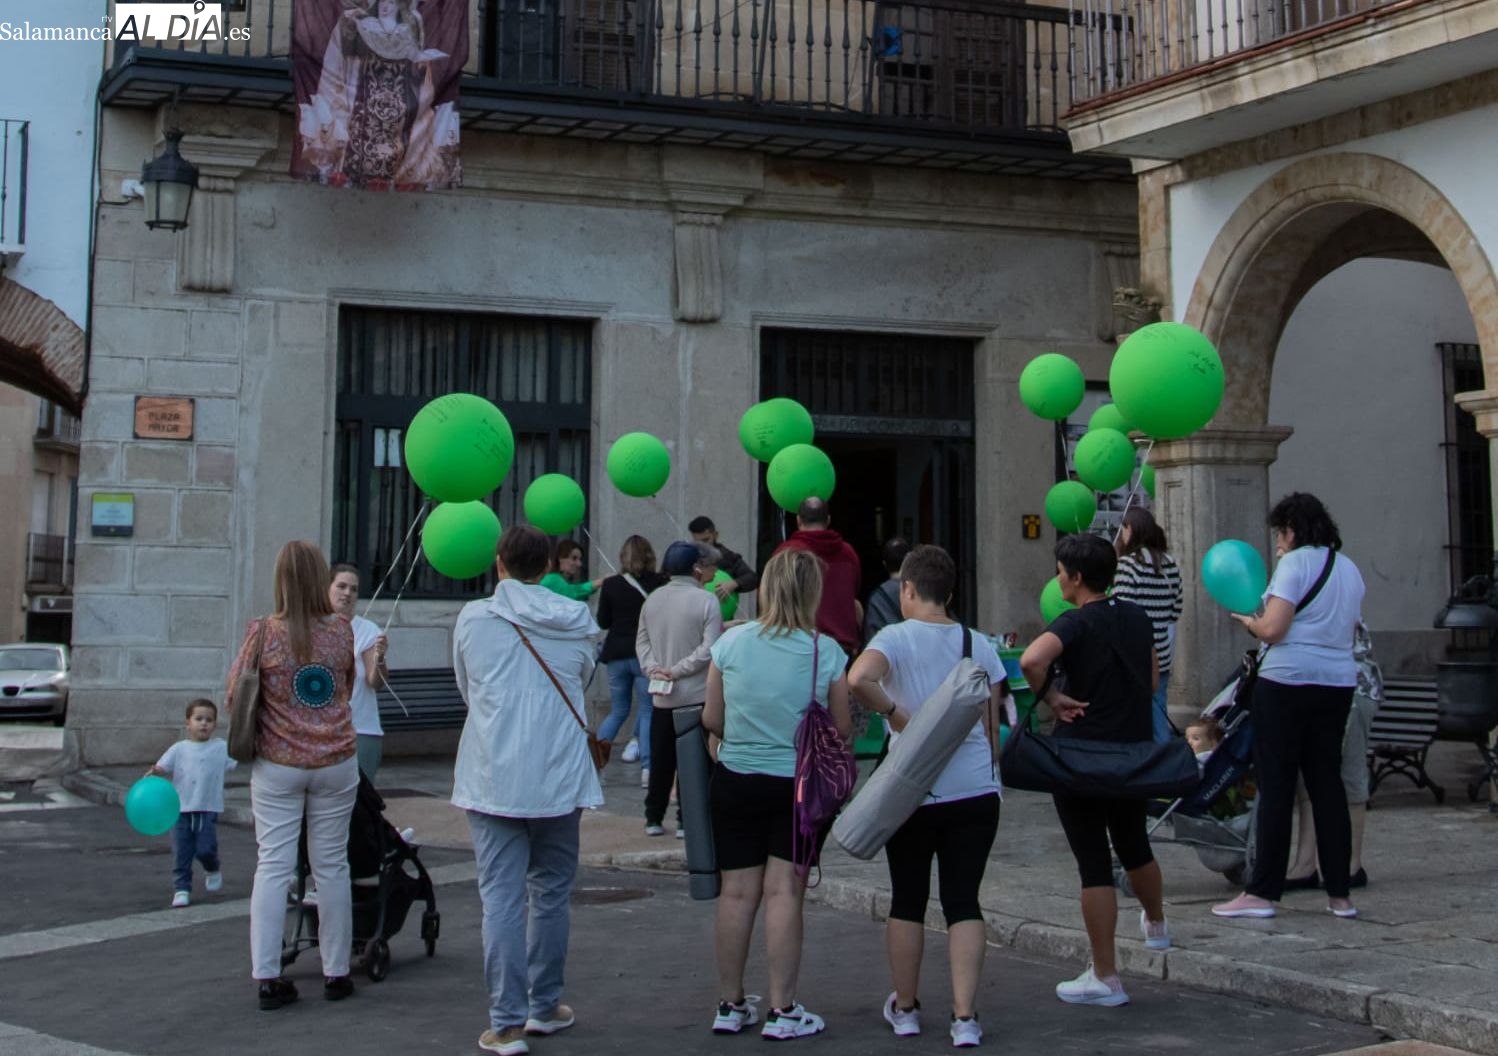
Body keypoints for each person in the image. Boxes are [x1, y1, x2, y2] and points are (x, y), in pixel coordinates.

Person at [848, 545, 1009, 1047]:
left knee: (908, 899)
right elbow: (991, 720)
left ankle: (907, 1007)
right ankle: (965, 1017)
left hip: (914, 792)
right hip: (975, 788)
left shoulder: (893, 637)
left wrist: (898, 717)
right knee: (964, 901)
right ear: (952, 593)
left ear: (909, 590)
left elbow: (858, 678)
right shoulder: (976, 642)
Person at [452, 524, 603, 1056]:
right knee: (552, 894)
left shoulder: (475, 618)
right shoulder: (578, 619)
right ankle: (545, 1004)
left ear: (498, 563)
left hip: (493, 773)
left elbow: (467, 688)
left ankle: (507, 1021)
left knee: (500, 898)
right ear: (548, 567)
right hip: (560, 774)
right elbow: (581, 683)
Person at [703, 548, 852, 1040]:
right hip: (797, 787)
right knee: (784, 891)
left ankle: (730, 1003)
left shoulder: (731, 643)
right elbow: (842, 729)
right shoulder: (825, 652)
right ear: (812, 594)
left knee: (737, 892)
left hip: (736, 778)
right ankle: (782, 1010)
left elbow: (712, 718)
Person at [1020, 533, 1167, 1008]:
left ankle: (1105, 974)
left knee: (1093, 863)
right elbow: (1153, 676)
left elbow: (1031, 659)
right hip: (1132, 752)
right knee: (1134, 842)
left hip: (1083, 756)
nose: (1058, 577)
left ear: (1077, 578)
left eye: (1061, 570)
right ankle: (1157, 923)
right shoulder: (1138, 617)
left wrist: (1052, 698)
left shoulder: (1075, 622)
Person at [1213, 493, 1366, 921]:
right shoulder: (1348, 568)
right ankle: (1340, 894)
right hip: (1337, 682)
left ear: (1291, 530)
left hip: (1287, 681)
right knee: (1326, 784)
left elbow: (1275, 629)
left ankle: (1262, 892)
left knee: (1277, 783)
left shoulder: (1295, 564)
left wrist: (1250, 622)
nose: (1277, 543)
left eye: (1279, 534)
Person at [225, 540, 359, 1011]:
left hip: (279, 764)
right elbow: (345, 684)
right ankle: (337, 971)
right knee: (332, 865)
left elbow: (233, 696)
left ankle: (267, 975)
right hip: (335, 760)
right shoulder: (342, 631)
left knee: (274, 865)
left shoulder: (263, 632)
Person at [296, 0, 461, 189]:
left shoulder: (411, 27)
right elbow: (334, 70)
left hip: (401, 122)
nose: (385, 6)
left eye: (391, 2)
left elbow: (420, 73)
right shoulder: (352, 24)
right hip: (357, 117)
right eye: (381, 1)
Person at [1284, 621, 1381, 891]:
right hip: (1316, 685)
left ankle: (1351, 864)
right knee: (1310, 778)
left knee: (1347, 774)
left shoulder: (1334, 584)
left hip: (1350, 685)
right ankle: (1305, 864)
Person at [637, 541, 723, 838]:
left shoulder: (653, 599)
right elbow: (711, 647)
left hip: (661, 694)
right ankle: (687, 819)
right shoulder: (706, 601)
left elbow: (642, 642)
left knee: (661, 760)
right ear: (696, 568)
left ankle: (653, 817)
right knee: (695, 762)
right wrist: (680, 669)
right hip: (696, 695)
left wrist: (655, 669)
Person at [149, 699, 237, 909]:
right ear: (188, 722)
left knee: (205, 848)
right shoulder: (179, 749)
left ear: (215, 724)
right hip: (180, 808)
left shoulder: (220, 748)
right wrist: (155, 773)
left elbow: (238, 759)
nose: (203, 724)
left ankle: (212, 867)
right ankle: (181, 888)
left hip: (207, 807)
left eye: (209, 720)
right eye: (198, 719)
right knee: (182, 850)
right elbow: (162, 767)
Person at [596, 535, 667, 790]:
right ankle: (647, 769)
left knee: (618, 710)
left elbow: (603, 621)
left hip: (615, 654)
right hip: (644, 655)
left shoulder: (612, 584)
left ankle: (595, 762)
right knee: (648, 710)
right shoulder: (660, 583)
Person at [1111, 508, 1183, 743]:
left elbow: (1122, 610)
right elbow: (1176, 610)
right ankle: (1163, 761)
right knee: (1158, 709)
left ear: (1130, 529)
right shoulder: (1169, 563)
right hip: (1161, 649)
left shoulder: (1127, 565)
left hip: (1133, 651)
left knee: (1130, 714)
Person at [774, 498, 863, 658]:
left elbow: (775, 599)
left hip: (800, 646)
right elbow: (854, 592)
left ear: (798, 520)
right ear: (828, 520)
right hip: (841, 648)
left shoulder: (786, 554)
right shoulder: (848, 553)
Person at [329, 563, 389, 780]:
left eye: (353, 589)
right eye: (341, 586)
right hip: (323, 731)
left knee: (362, 802)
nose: (347, 594)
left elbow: (375, 682)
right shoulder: (315, 627)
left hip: (361, 729)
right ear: (327, 587)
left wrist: (380, 657)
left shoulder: (367, 630)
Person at [690, 515, 760, 602]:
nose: (703, 546)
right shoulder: (689, 557)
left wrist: (733, 584)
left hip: (723, 611)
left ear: (715, 535)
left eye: (706, 540)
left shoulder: (728, 557)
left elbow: (752, 578)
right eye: (698, 542)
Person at [862, 536, 911, 646]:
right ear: (909, 560)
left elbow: (871, 641)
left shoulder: (876, 599)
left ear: (884, 564)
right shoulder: (921, 592)